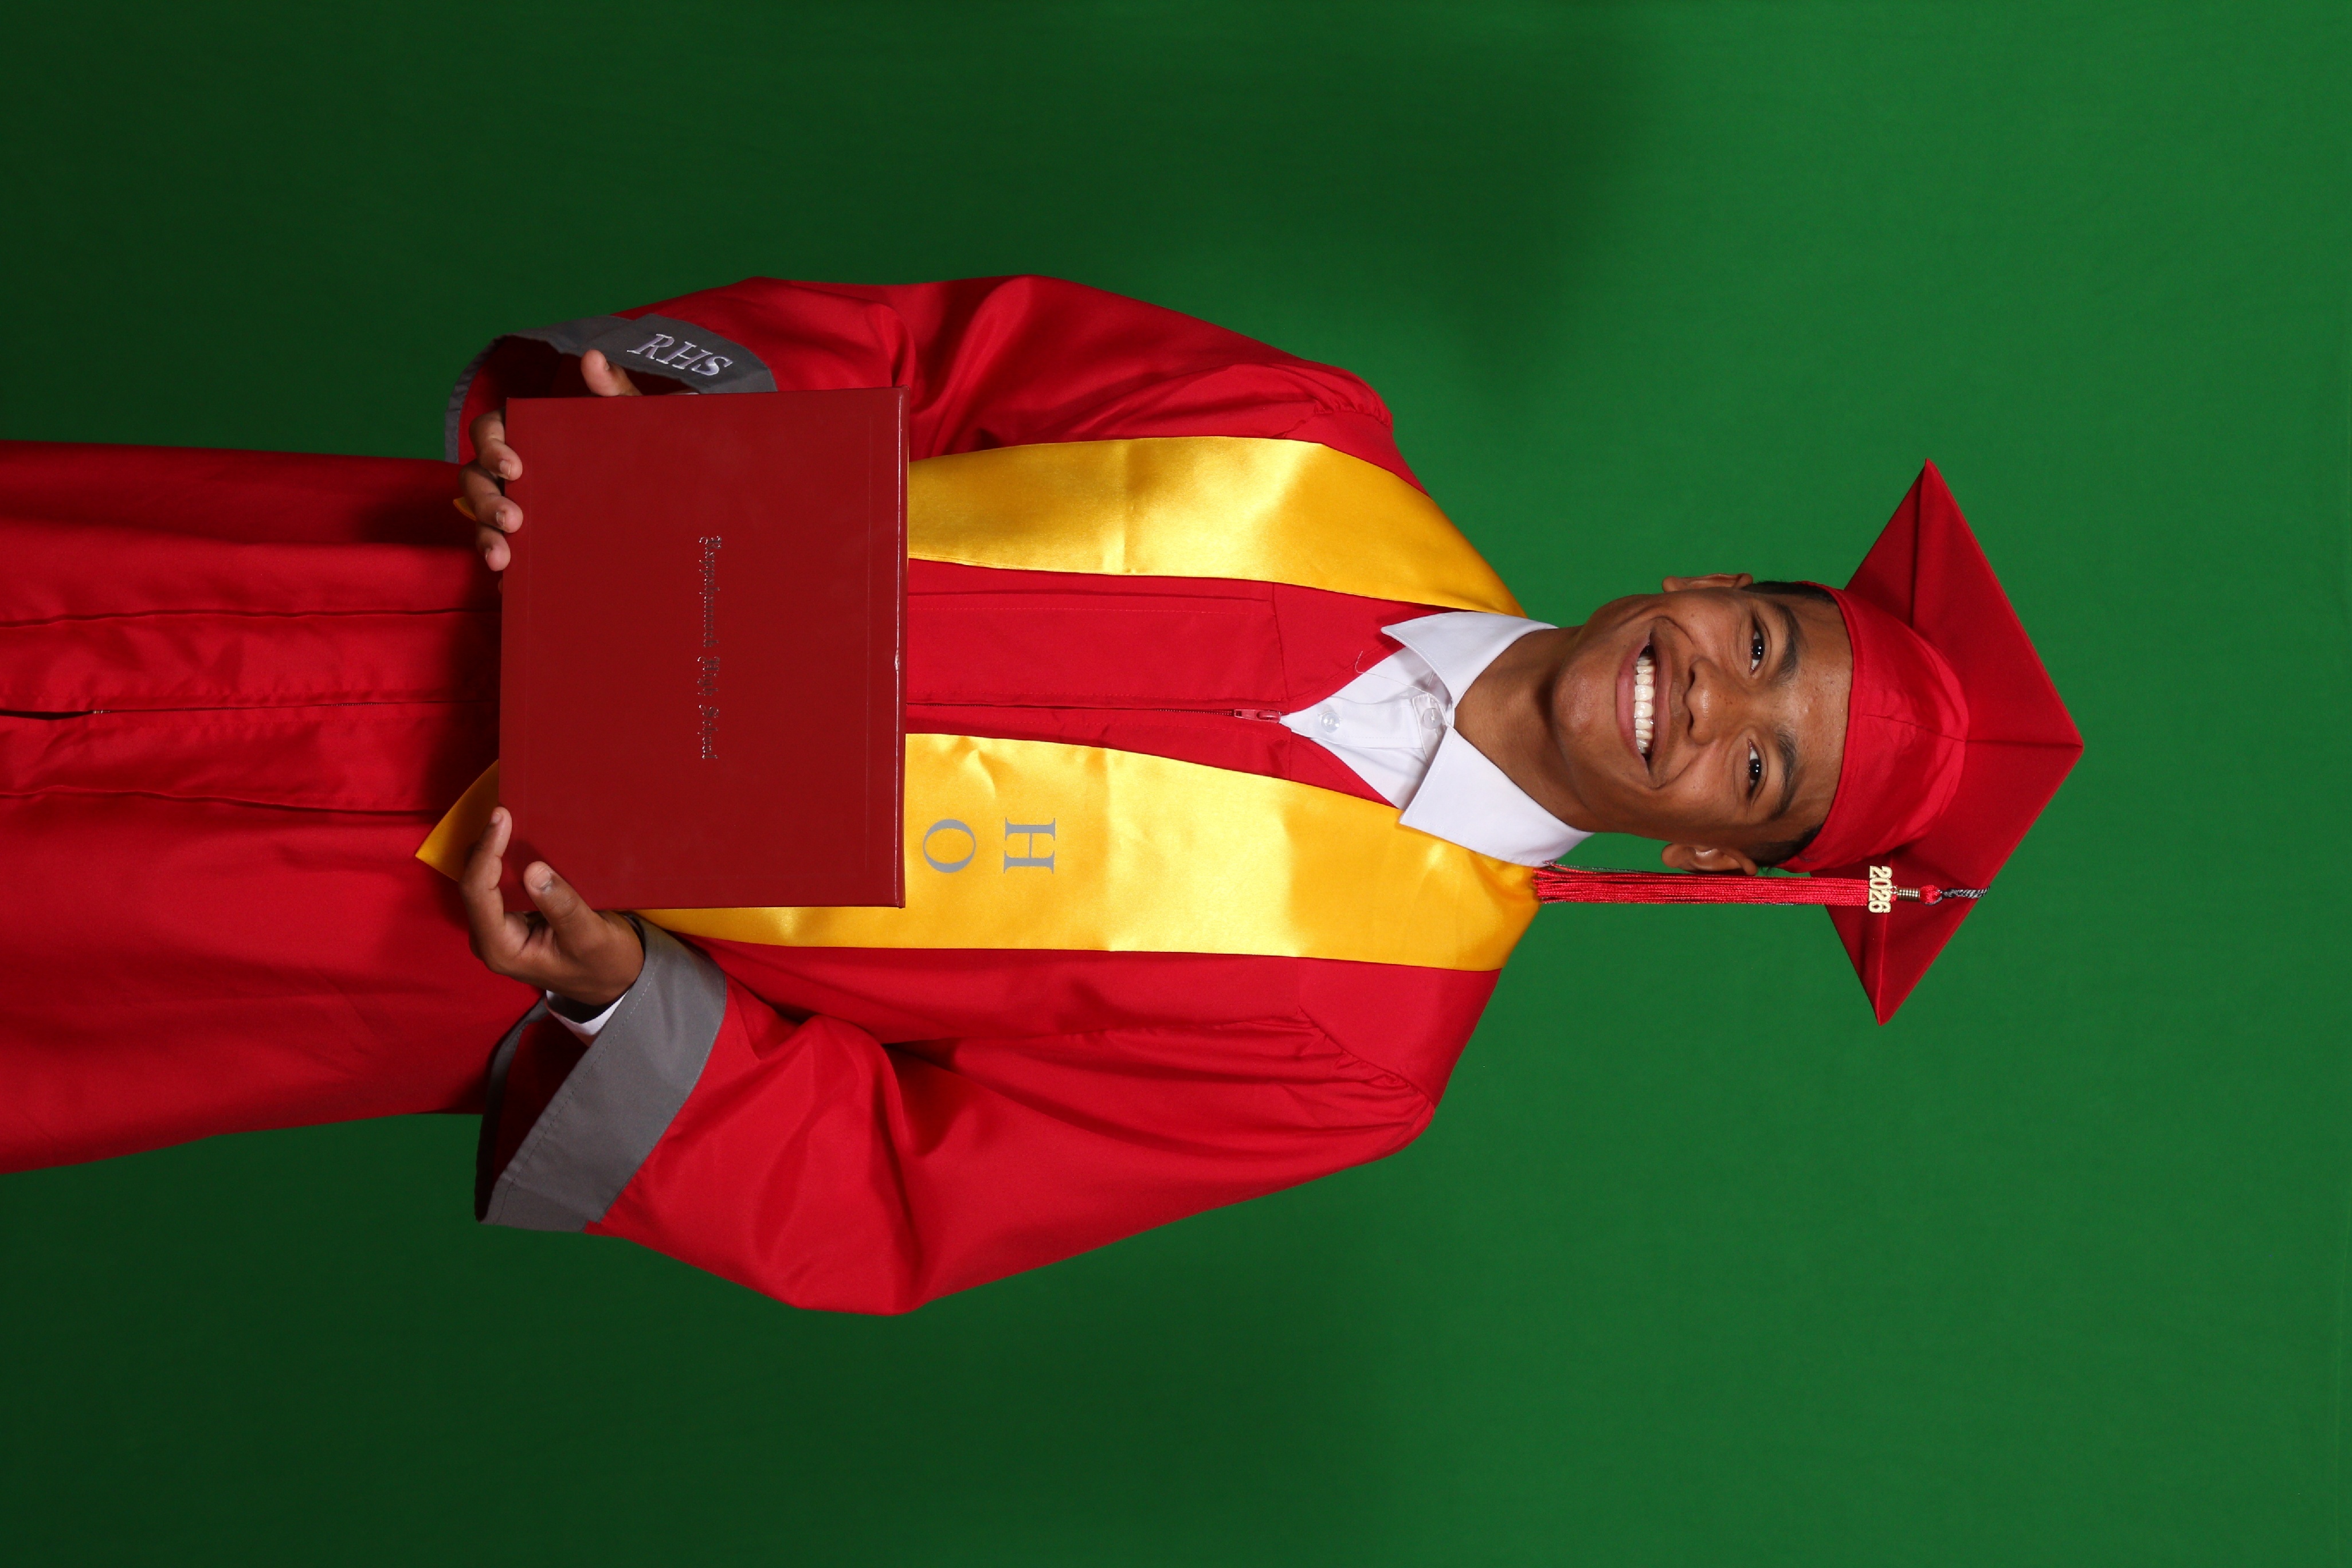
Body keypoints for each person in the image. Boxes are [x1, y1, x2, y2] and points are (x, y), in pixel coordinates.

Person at [0, 276, 2077, 1313]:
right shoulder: (1304, 446)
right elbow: (934, 359)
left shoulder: (1360, 1049)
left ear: (1714, 851)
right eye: (1763, 642)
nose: (1709, 700)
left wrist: (617, 982)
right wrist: (628, 446)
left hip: (431, 902)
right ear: (1709, 581)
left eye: (1761, 768)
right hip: (406, 589)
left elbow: (897, 1182)